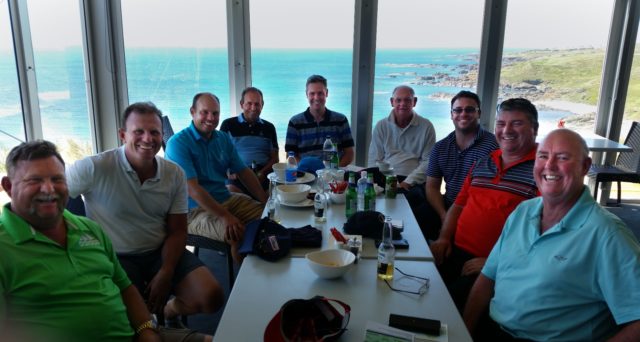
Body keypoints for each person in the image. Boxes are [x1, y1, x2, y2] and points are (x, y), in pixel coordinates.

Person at [0, 140, 210, 341]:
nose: (49, 189)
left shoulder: (89, 229)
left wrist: (146, 330)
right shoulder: (5, 247)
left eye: (57, 179)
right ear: (9, 187)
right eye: (34, 180)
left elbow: (125, 288)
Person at [464, 129, 640, 341]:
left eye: (563, 158)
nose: (549, 165)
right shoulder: (523, 211)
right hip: (493, 330)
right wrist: (464, 332)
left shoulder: (608, 234)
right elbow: (487, 277)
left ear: (585, 166)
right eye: (543, 156)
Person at [66, 102, 223, 325]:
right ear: (122, 134)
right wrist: (77, 236)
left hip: (159, 252)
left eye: (154, 132)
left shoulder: (173, 173)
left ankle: (170, 311)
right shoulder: (95, 167)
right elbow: (55, 194)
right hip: (115, 257)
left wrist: (166, 272)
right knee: (130, 320)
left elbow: (178, 231)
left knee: (211, 297)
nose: (148, 139)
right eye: (138, 131)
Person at [429, 98, 540, 310]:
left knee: (440, 308)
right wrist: (443, 238)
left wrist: (496, 262)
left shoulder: (542, 170)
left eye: (516, 123)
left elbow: (548, 235)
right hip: (455, 252)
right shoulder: (484, 161)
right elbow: (459, 206)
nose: (506, 130)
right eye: (501, 123)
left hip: (493, 268)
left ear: (534, 128)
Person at [165, 92, 267, 264]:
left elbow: (243, 171)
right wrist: (226, 217)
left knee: (269, 217)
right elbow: (193, 190)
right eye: (204, 112)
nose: (211, 118)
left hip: (225, 198)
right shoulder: (178, 143)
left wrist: (265, 201)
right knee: (236, 232)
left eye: (215, 113)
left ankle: (268, 269)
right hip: (192, 212)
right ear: (192, 112)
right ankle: (245, 284)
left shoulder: (222, 138)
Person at [424, 91, 498, 239]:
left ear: (479, 113)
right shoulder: (441, 147)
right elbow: (432, 186)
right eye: (458, 110)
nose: (463, 114)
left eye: (470, 110)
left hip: (477, 213)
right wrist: (444, 215)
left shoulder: (493, 147)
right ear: (451, 114)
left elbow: (492, 195)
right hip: (447, 206)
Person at [367, 85, 436, 190]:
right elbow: (374, 159)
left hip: (412, 179)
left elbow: (428, 161)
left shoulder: (426, 126)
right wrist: (374, 182)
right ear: (392, 102)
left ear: (414, 102)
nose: (402, 104)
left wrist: (408, 182)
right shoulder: (382, 125)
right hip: (384, 177)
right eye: (398, 100)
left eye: (407, 100)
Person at [285, 74, 354, 166]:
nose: (316, 98)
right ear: (306, 94)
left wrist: (334, 170)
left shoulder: (340, 121)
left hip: (333, 176)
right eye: (312, 93)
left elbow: (349, 153)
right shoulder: (295, 123)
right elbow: (290, 156)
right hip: (306, 175)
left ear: (327, 93)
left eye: (320, 93)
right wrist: (306, 170)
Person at [220, 87, 278, 195]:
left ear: (262, 105)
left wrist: (262, 173)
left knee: (274, 198)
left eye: (257, 104)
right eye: (249, 103)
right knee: (231, 194)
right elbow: (220, 154)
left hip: (262, 174)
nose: (253, 108)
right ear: (242, 104)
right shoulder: (228, 125)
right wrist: (229, 172)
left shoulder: (269, 128)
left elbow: (275, 158)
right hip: (237, 176)